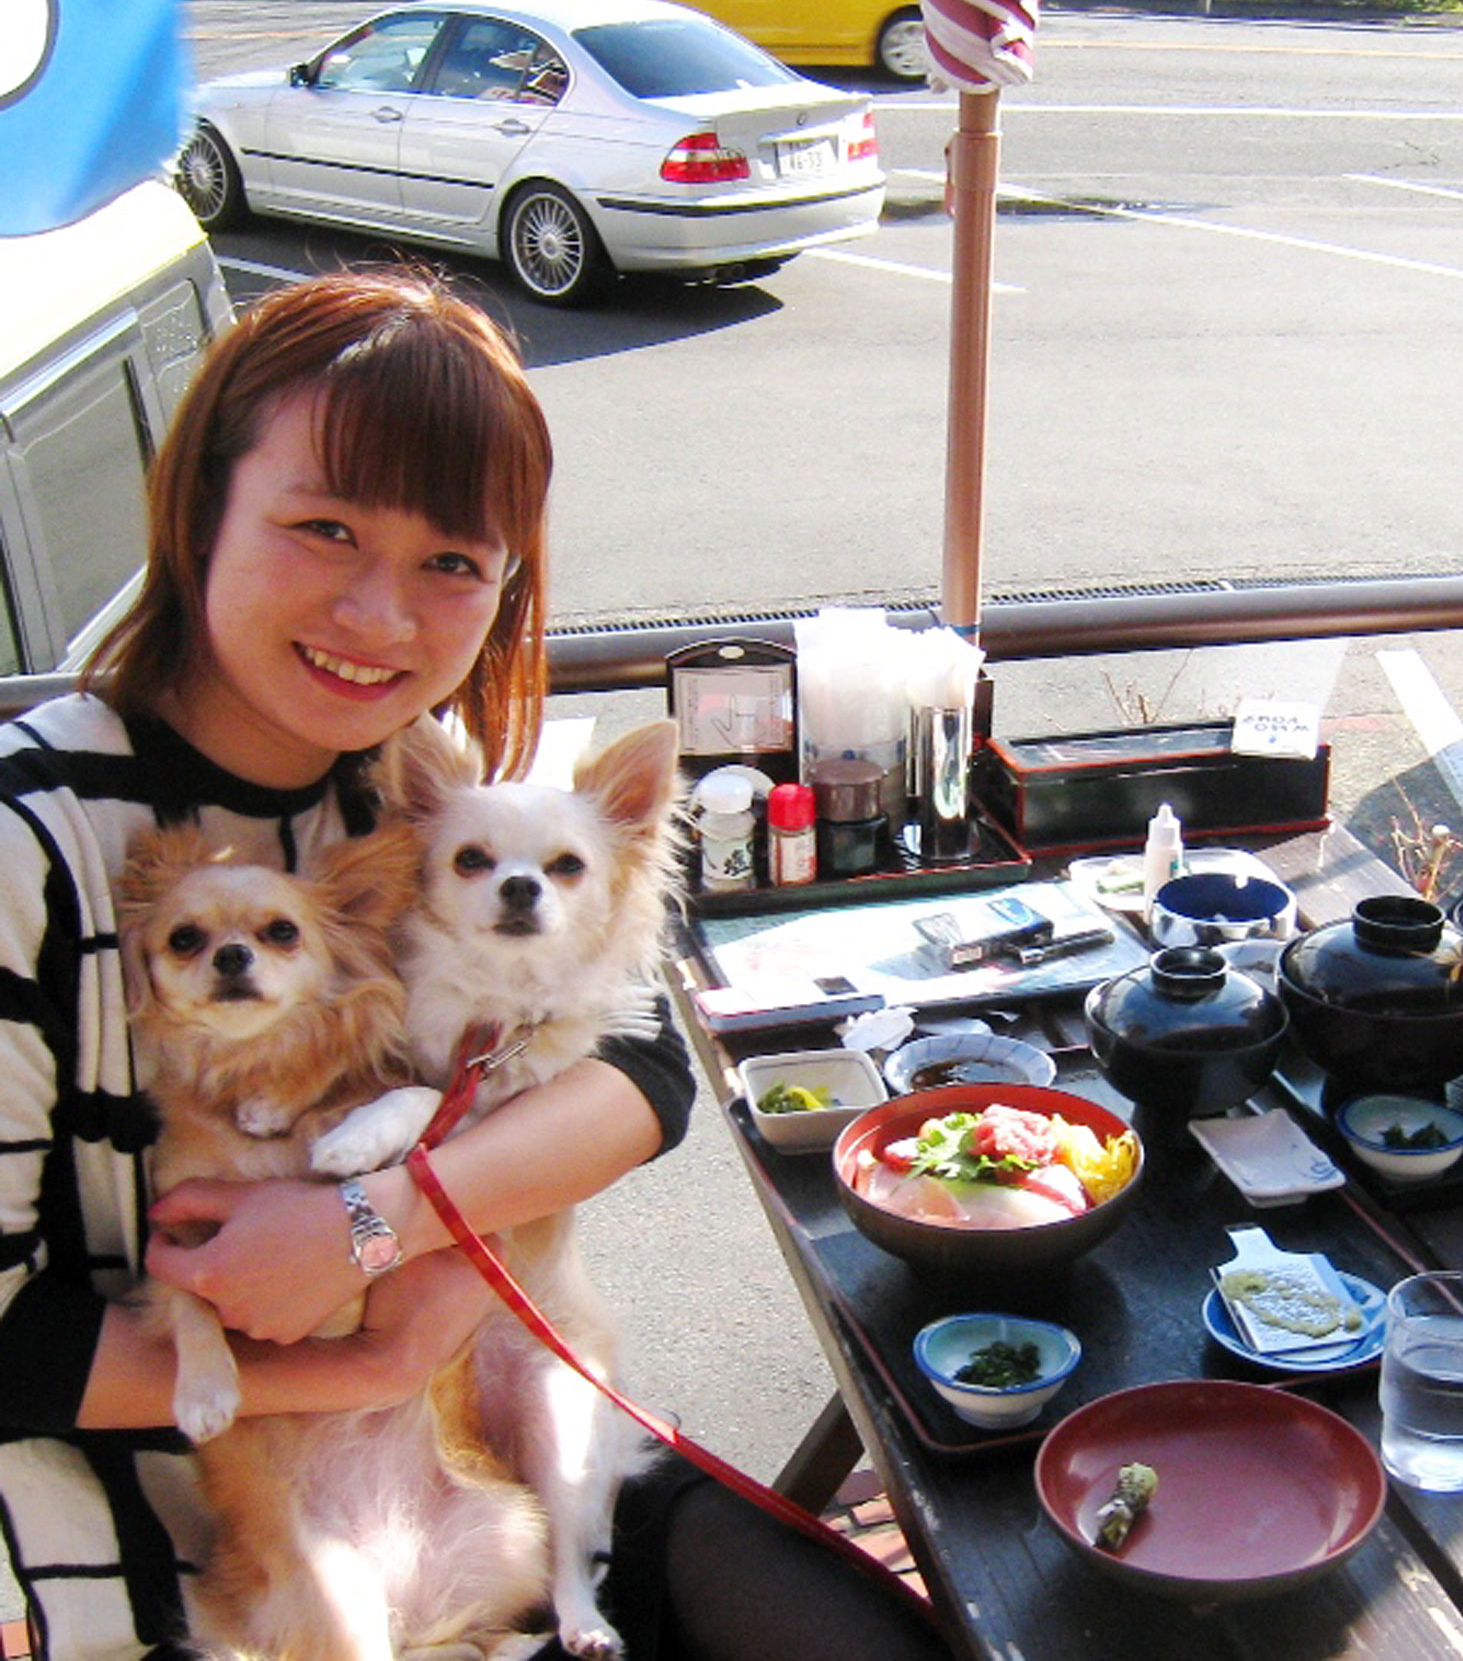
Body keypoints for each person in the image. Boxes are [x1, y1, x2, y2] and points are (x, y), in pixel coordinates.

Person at [0, 271, 945, 1659]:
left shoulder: (410, 792)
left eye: (453, 560)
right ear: (201, 507)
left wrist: (377, 1229)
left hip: (475, 1451)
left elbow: (637, 1066)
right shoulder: (35, 837)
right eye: (325, 527)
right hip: (193, 1561)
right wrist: (353, 1351)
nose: (381, 615)